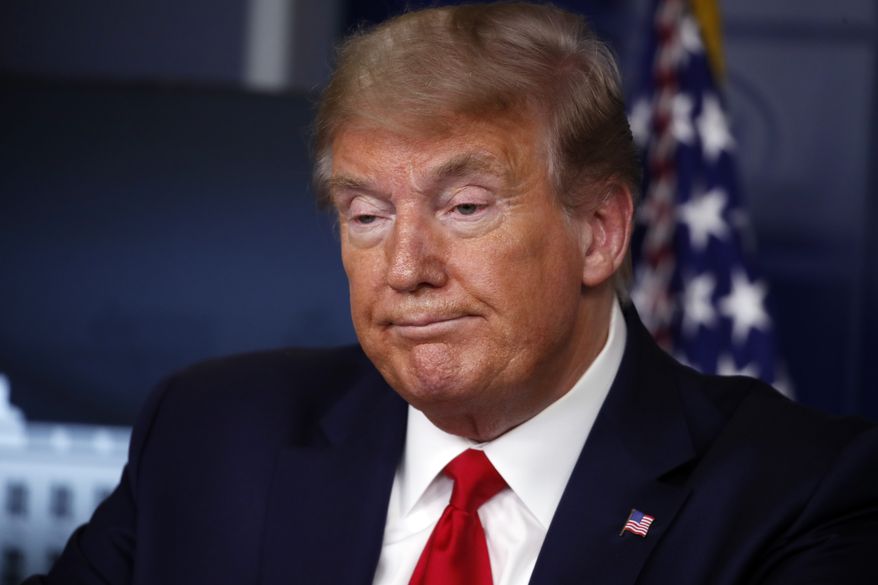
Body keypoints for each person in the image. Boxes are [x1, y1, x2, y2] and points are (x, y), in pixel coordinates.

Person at [30, 3, 878, 584]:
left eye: (464, 207)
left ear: (600, 232)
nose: (405, 268)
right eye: (366, 214)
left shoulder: (795, 494)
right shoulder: (209, 435)